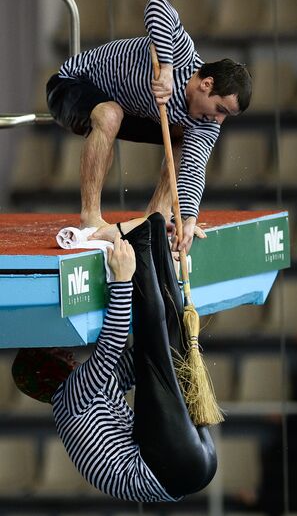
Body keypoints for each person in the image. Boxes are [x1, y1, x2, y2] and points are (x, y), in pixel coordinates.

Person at [12, 212, 217, 502]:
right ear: (49, 369)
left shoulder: (91, 395)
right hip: (170, 465)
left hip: (195, 463)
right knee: (155, 347)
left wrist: (164, 277)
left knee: (168, 348)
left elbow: (145, 357)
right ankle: (141, 242)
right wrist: (122, 280)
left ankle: (157, 235)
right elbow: (113, 345)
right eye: (56, 353)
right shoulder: (72, 396)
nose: (67, 354)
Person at [46, 0, 252, 254]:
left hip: (126, 109)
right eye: (220, 109)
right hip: (73, 85)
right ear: (206, 84)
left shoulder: (204, 124)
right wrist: (166, 68)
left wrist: (187, 220)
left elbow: (194, 169)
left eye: (226, 116)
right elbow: (157, 6)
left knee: (180, 135)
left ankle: (158, 214)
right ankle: (90, 217)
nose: (218, 120)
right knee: (110, 114)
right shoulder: (182, 54)